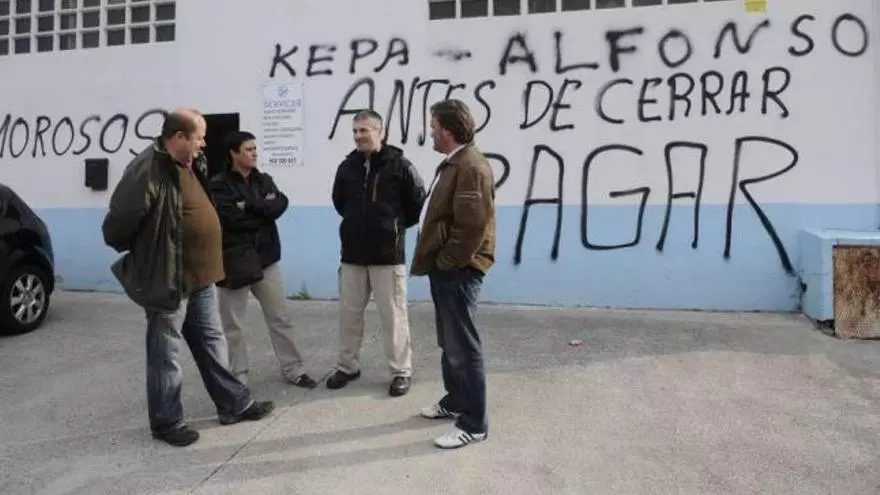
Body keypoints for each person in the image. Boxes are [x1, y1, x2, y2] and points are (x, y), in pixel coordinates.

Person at [102, 109, 274, 447]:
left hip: (202, 277)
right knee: (165, 352)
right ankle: (166, 422)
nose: (204, 144)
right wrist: (147, 251)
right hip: (169, 277)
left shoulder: (192, 163)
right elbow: (119, 223)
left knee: (212, 343)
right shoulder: (148, 169)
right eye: (199, 137)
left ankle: (234, 404)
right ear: (179, 137)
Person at [410, 99, 496, 449]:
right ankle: (457, 399)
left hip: (458, 271)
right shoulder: (455, 162)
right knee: (450, 342)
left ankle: (474, 423)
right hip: (446, 269)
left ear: (447, 129)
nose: (430, 132)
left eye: (433, 126)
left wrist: (448, 262)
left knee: (463, 345)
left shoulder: (471, 166)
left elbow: (472, 225)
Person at [329, 109, 427, 397]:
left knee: (394, 317)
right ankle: (347, 366)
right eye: (355, 131)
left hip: (387, 256)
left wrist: (390, 227)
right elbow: (339, 202)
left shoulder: (400, 166)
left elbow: (416, 205)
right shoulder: (346, 167)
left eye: (364, 130)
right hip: (352, 255)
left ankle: (401, 371)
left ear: (380, 131)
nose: (358, 136)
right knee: (349, 316)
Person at [210, 131, 317, 389]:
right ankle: (238, 377)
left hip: (267, 259)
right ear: (234, 153)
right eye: (248, 149)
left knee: (280, 318)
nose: (254, 153)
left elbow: (279, 205)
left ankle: (294, 369)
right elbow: (229, 219)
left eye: (255, 148)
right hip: (235, 262)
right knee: (233, 326)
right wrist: (262, 209)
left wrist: (247, 206)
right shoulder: (218, 185)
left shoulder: (264, 179)